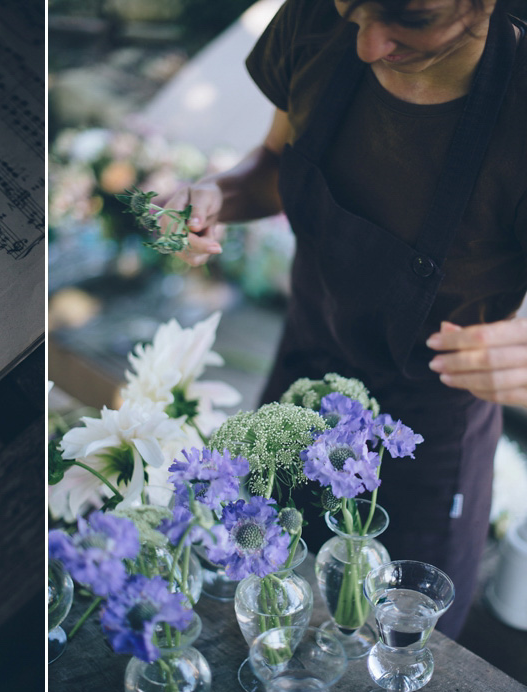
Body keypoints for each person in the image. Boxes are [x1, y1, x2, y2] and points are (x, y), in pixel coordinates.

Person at [161, 0, 527, 638]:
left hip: (427, 432)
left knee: (390, 646)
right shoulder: (316, 21)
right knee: (254, 602)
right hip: (301, 371)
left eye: (409, 19)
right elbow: (275, 165)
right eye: (352, 9)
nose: (367, 44)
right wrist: (216, 195)